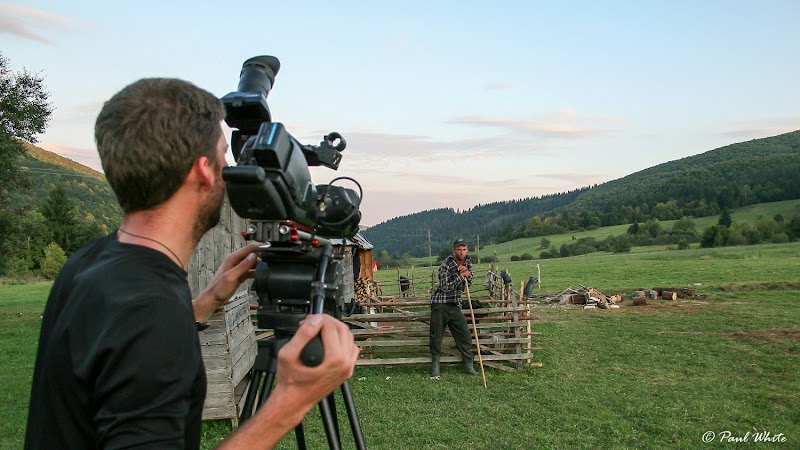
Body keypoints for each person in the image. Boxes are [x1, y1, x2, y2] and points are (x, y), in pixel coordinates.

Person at [24, 78, 360, 449]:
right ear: (203, 170)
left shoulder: (90, 262)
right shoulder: (150, 310)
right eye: (224, 156)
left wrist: (206, 302)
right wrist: (290, 403)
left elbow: (120, 349)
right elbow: (144, 329)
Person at [428, 238, 479, 378]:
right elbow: (445, 287)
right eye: (459, 249)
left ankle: (468, 366)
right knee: (436, 335)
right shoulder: (446, 264)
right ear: (454, 250)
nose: (462, 252)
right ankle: (435, 368)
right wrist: (460, 275)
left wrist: (467, 274)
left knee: (465, 335)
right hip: (440, 304)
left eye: (464, 249)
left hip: (455, 304)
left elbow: (468, 283)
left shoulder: (468, 262)